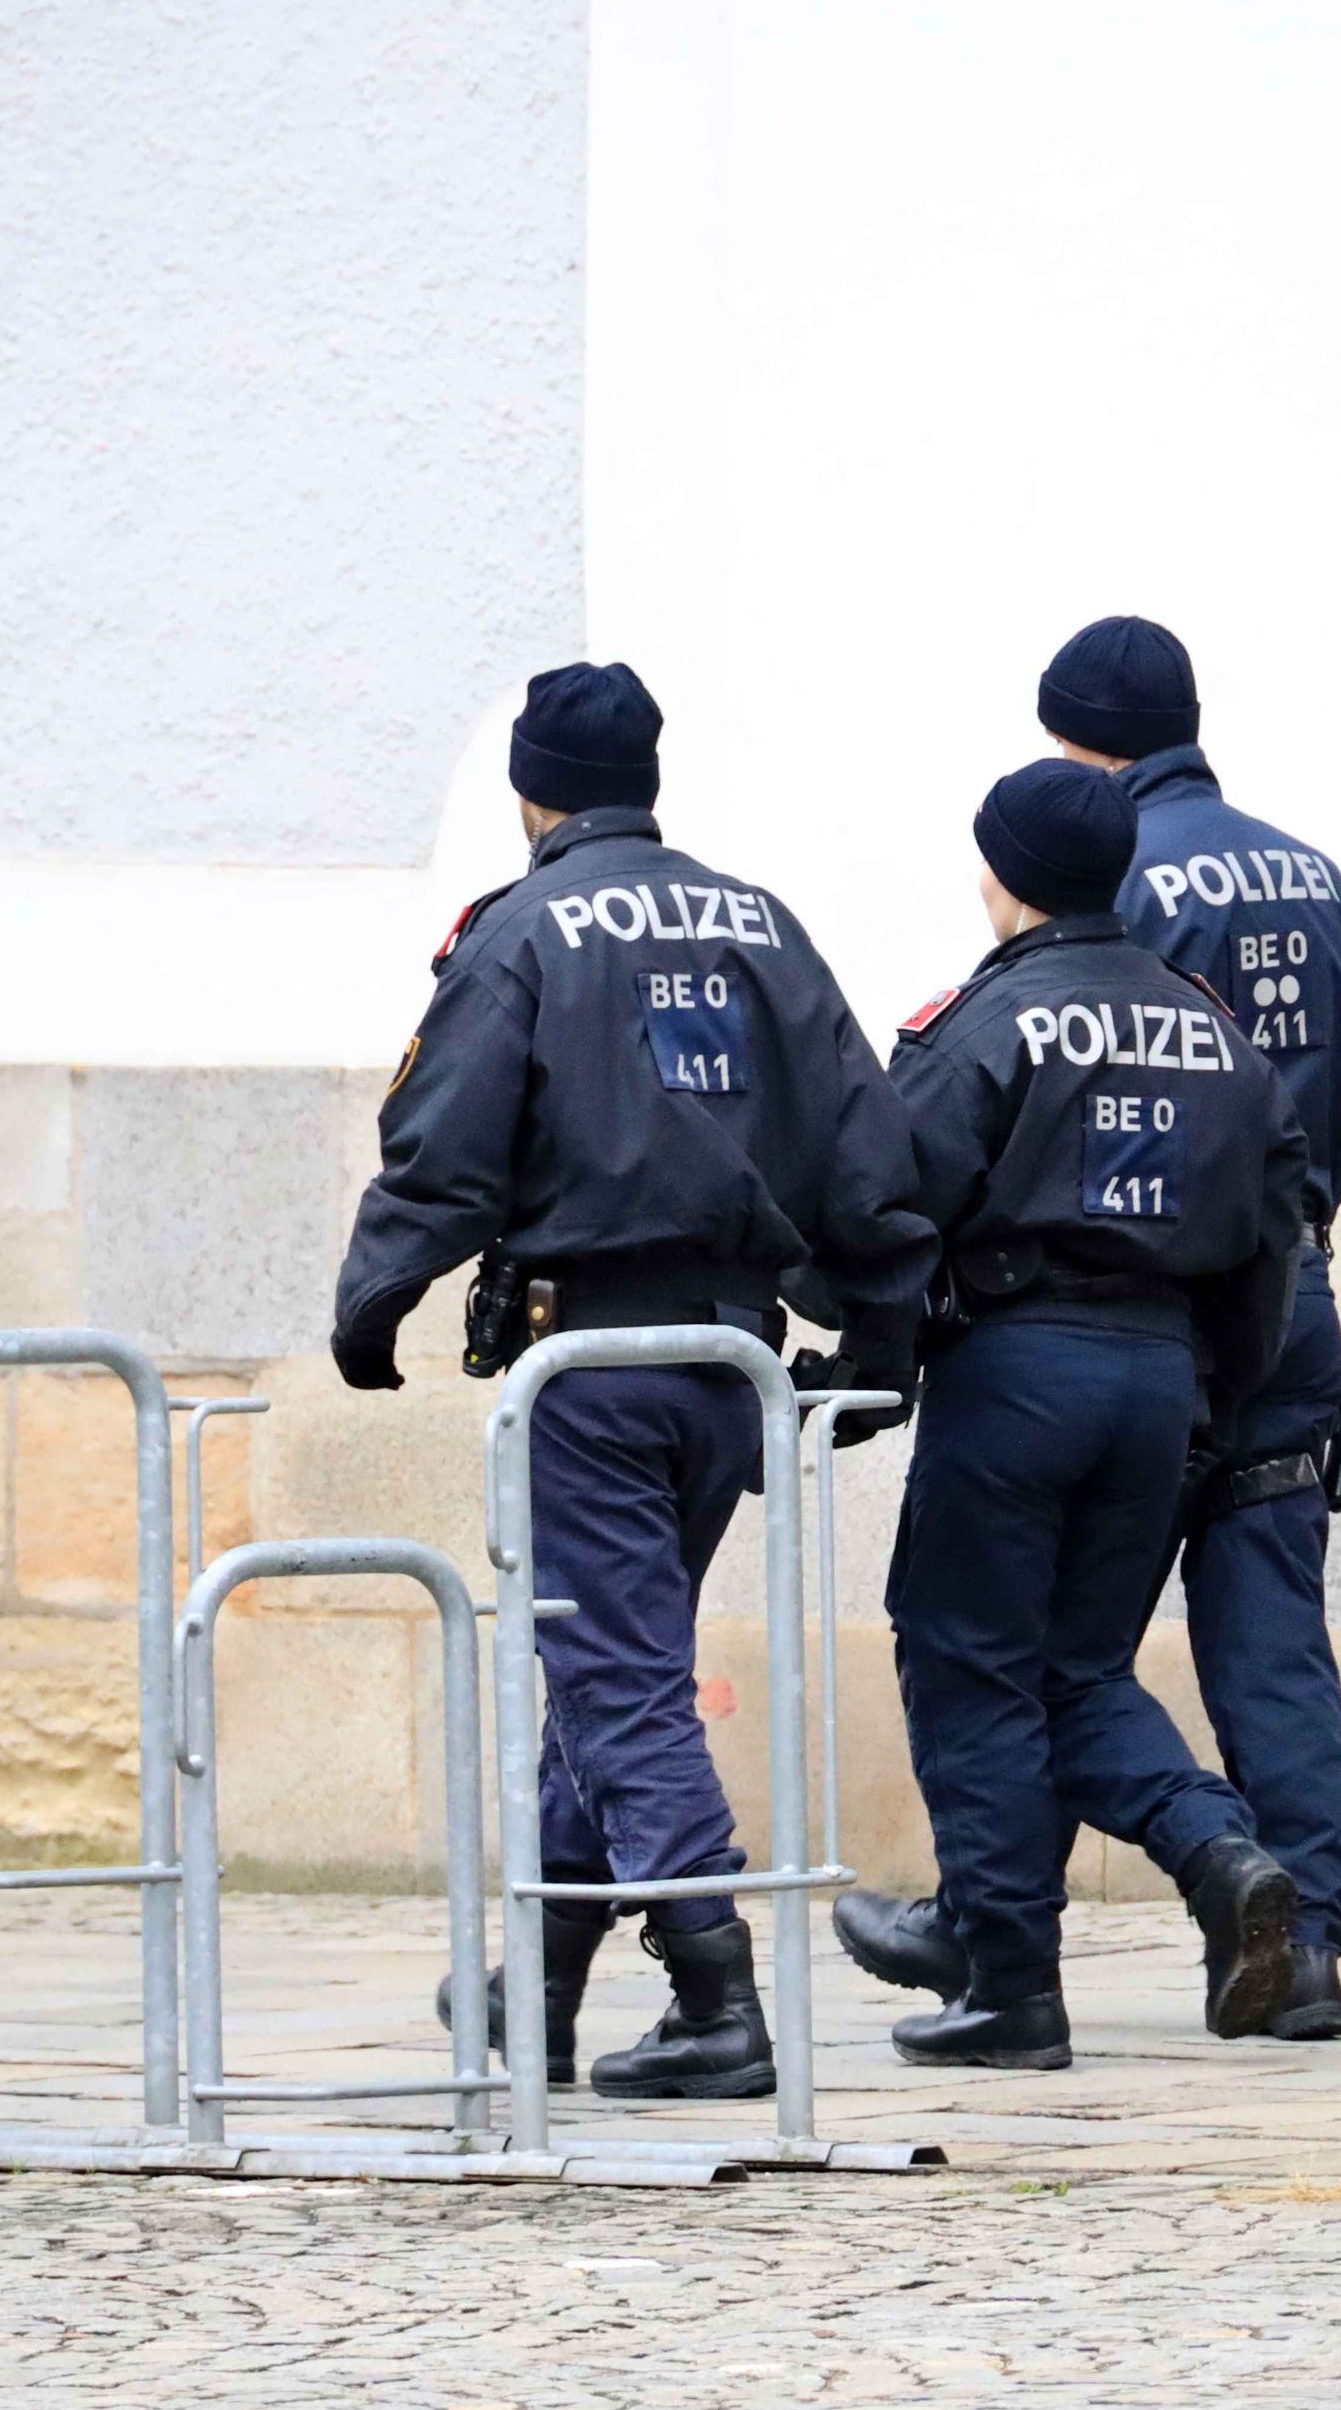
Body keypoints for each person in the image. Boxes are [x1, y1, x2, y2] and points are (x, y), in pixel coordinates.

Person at [330, 661, 931, 2101]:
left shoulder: (525, 928)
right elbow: (861, 1139)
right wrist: (886, 1332)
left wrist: (375, 1298)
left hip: (588, 1367)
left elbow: (446, 1134)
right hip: (727, 1365)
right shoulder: (758, 924)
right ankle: (536, 1990)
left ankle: (717, 1994)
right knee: (608, 1673)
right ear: (647, 785)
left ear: (533, 792)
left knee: (620, 1677)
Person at [827, 760, 1312, 2069]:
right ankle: (1220, 1853)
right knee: (1078, 1671)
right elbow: (1277, 1235)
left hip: (1018, 1374)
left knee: (971, 1663)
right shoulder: (1211, 1026)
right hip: (1160, 1380)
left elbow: (885, 1207)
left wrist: (865, 1354)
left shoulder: (986, 1022)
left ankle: (1009, 1984)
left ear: (1007, 875)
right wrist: (1217, 1389)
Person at [1034, 614, 1341, 2039]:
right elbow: (1338, 1085)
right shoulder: (1310, 867)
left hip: (1166, 1305)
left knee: (1053, 1638)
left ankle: (1001, 1942)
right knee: (1269, 1634)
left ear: (1083, 747)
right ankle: (1307, 1951)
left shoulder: (1125, 870)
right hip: (1296, 1282)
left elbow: (1121, 1085)